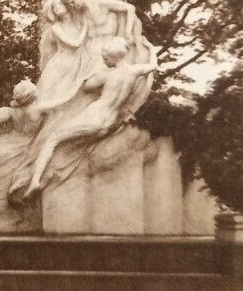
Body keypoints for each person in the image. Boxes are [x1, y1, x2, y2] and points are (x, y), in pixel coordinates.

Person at [12, 37, 157, 199]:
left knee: (53, 139)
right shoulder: (134, 71)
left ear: (114, 58)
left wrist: (89, 73)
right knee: (72, 147)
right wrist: (151, 48)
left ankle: (35, 181)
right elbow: (153, 65)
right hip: (109, 123)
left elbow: (87, 87)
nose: (104, 60)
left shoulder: (107, 75)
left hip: (95, 117)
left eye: (106, 58)